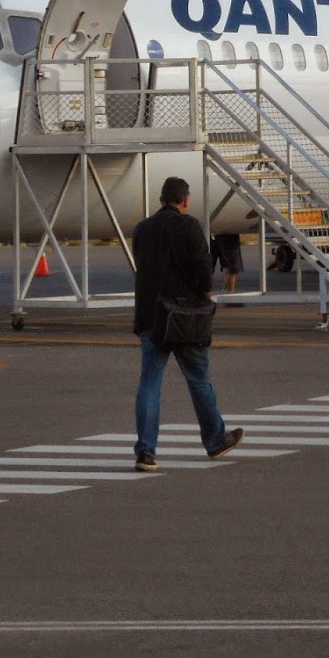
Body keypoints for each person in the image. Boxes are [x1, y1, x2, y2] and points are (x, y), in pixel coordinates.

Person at [131, 177, 243, 471]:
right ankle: (215, 440)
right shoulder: (190, 226)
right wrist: (204, 298)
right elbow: (203, 273)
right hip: (185, 317)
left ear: (160, 200)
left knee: (150, 384)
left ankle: (146, 452)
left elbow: (141, 267)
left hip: (152, 317)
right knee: (198, 381)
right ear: (185, 201)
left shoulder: (142, 229)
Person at [209, 230, 244, 296]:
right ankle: (230, 293)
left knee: (231, 265)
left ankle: (229, 293)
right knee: (231, 264)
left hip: (225, 231)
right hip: (228, 230)